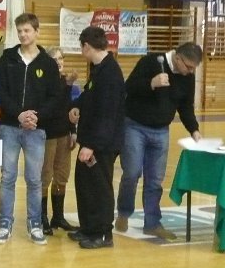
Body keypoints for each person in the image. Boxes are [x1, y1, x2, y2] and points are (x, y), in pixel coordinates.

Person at [115, 42, 203, 240]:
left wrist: (194, 130)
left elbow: (185, 106)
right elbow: (128, 88)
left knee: (155, 180)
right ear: (178, 57)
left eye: (193, 69)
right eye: (188, 67)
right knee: (132, 173)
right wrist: (151, 84)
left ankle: (152, 223)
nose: (190, 72)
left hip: (161, 130)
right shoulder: (150, 62)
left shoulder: (187, 77)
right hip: (135, 126)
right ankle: (123, 212)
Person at [0, 13, 62, 246]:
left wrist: (35, 116)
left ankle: (35, 224)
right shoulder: (7, 58)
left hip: (36, 129)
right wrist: (18, 115)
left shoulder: (48, 63)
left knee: (34, 179)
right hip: (10, 127)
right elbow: (0, 91)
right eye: (20, 31)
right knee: (7, 177)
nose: (23, 35)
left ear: (37, 31)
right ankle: (5, 223)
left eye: (27, 30)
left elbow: (55, 97)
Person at [68, 26, 125, 248]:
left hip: (102, 144)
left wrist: (91, 145)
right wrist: (76, 105)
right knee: (85, 184)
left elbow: (107, 115)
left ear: (86, 46)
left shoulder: (110, 73)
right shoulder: (98, 68)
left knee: (100, 187)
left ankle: (103, 233)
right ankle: (88, 228)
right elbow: (90, 94)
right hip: (91, 139)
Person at [40, 46, 81, 235]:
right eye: (54, 59)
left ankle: (58, 216)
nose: (59, 62)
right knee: (45, 176)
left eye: (61, 58)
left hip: (64, 134)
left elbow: (69, 108)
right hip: (48, 135)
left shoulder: (67, 81)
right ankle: (42, 217)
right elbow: (53, 106)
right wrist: (67, 85)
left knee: (62, 175)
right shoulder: (45, 81)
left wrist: (73, 131)